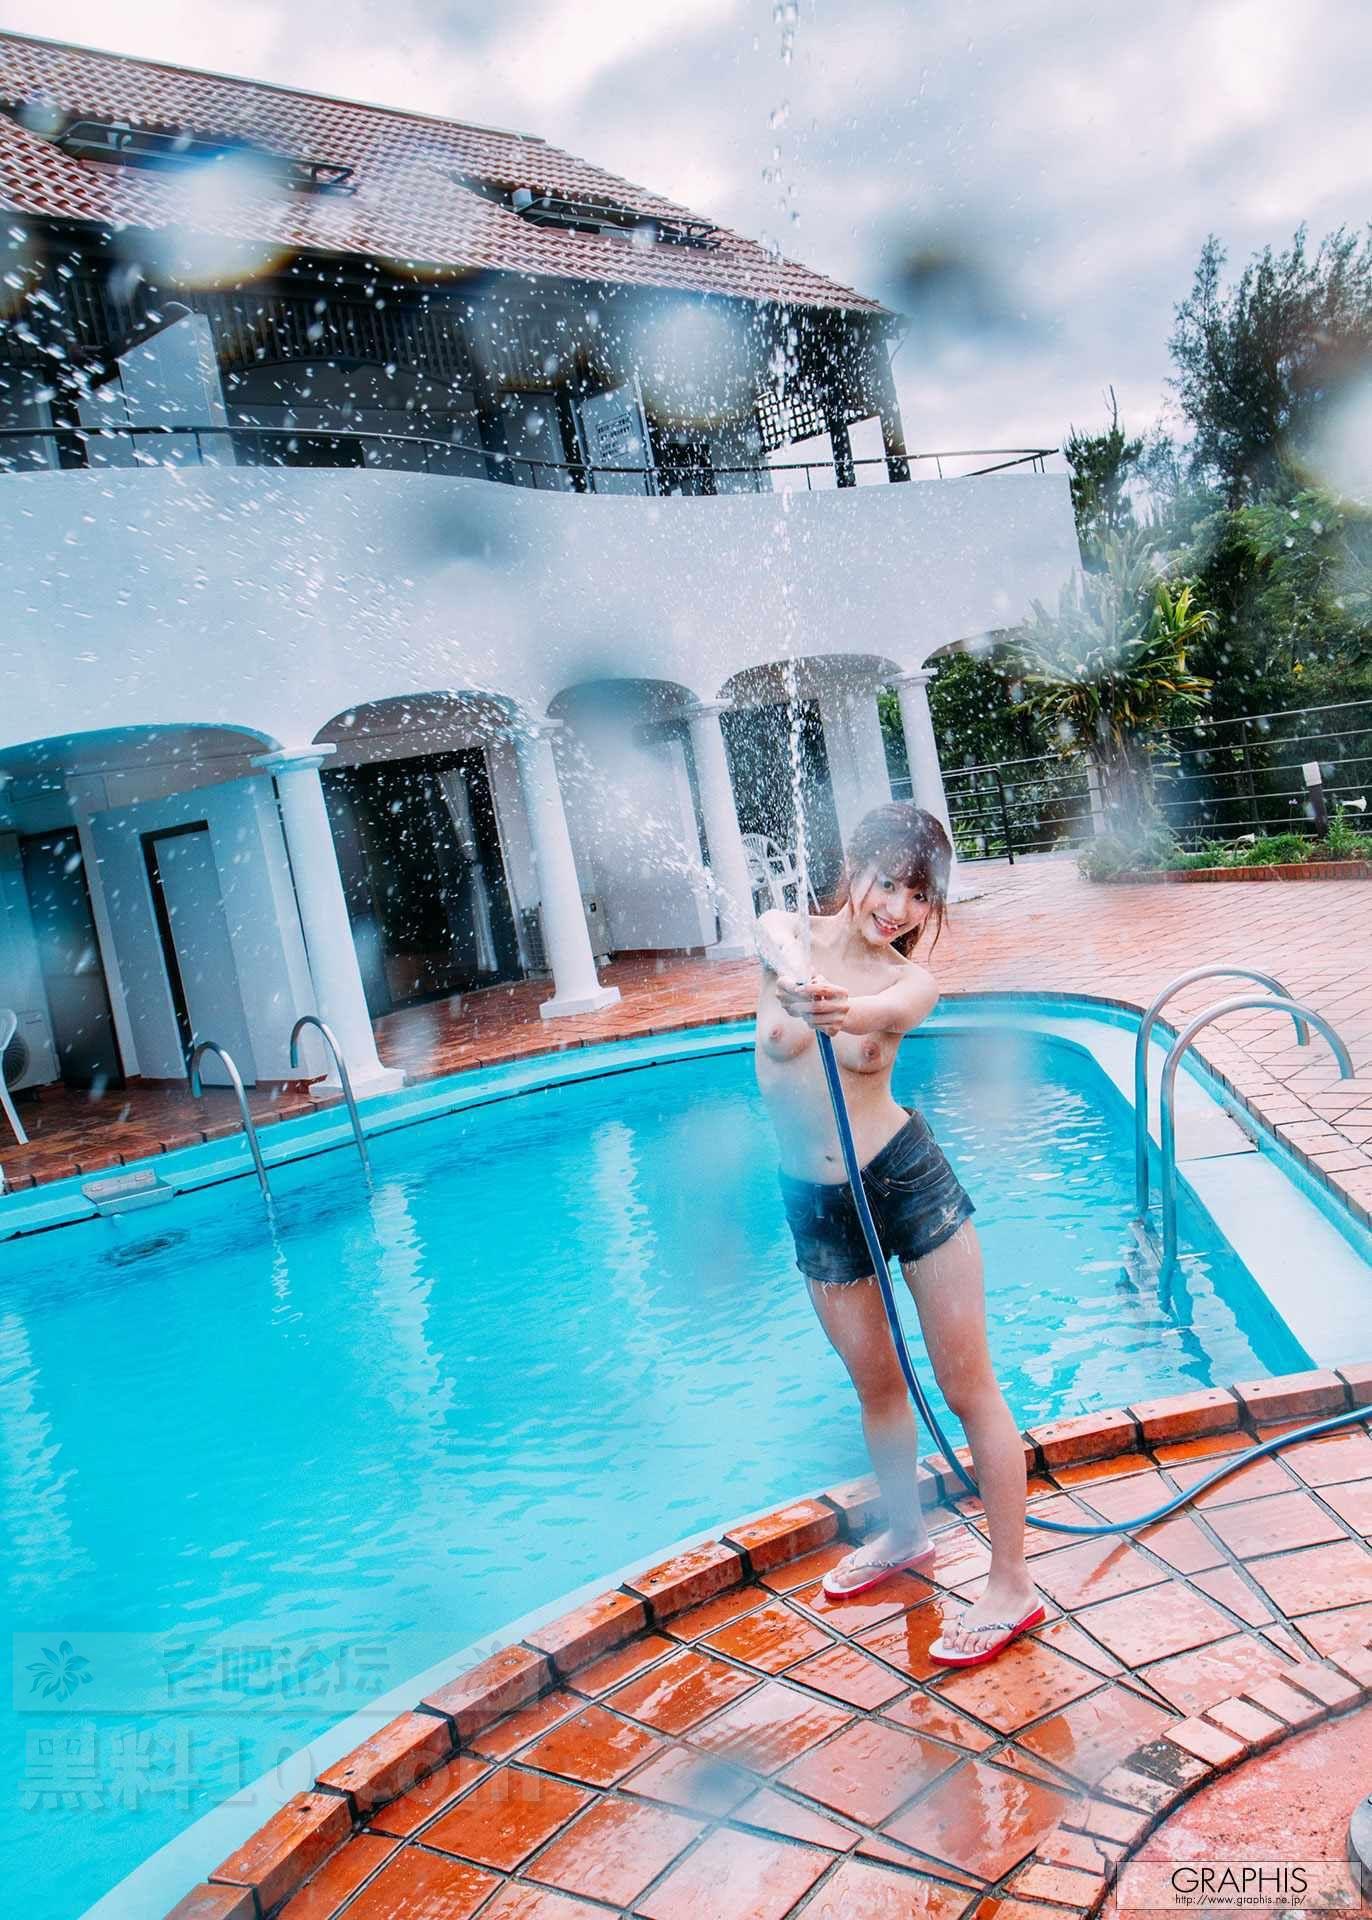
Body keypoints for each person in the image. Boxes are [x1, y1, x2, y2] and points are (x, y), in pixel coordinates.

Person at [754, 800, 1042, 1667]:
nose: (899, 907)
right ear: (854, 867)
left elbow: (898, 1005)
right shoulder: (787, 941)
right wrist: (797, 978)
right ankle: (907, 1533)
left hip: (905, 1182)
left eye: (921, 895)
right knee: (876, 1387)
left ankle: (1012, 1585)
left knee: (967, 1387)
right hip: (814, 1200)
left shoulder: (908, 980)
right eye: (888, 882)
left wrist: (845, 1007)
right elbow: (772, 930)